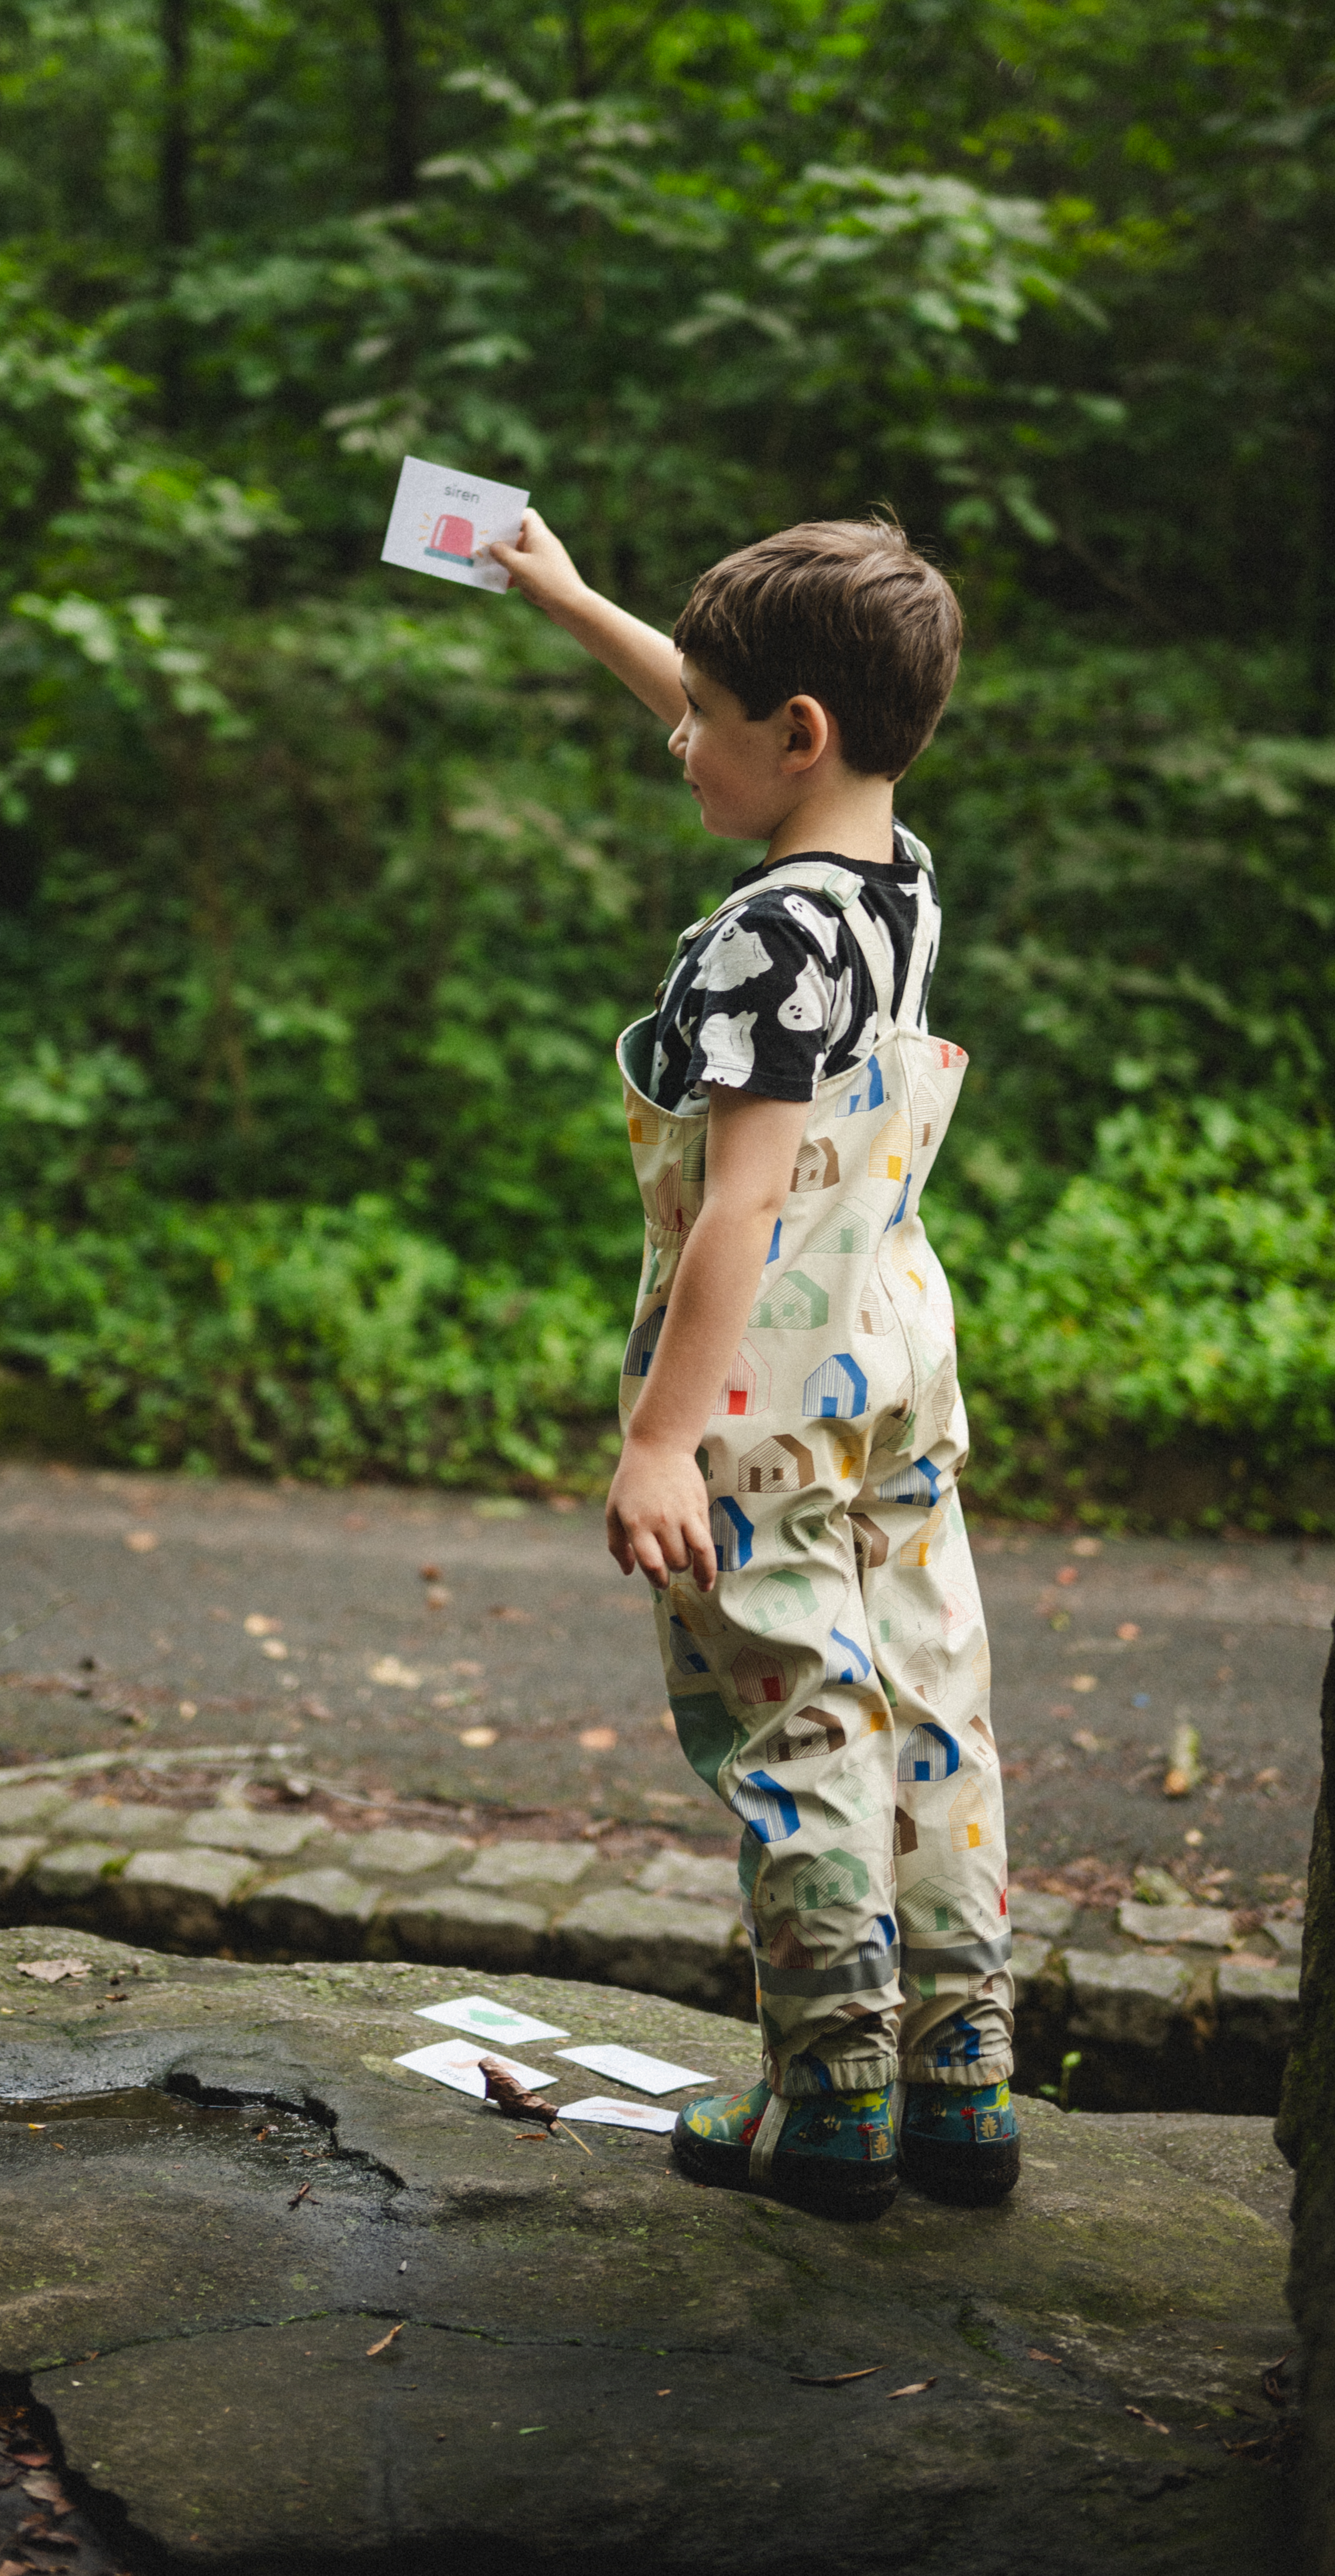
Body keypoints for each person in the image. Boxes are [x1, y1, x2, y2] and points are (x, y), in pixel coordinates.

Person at [485, 503, 1017, 2219]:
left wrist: (660, 1440)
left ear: (796, 735)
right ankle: (960, 2076)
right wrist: (575, 605)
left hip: (762, 1392)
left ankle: (833, 2100)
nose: (674, 739)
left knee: (802, 1722)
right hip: (897, 1349)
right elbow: (759, 715)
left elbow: (738, 1211)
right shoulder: (892, 872)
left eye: (703, 716)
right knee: (929, 1704)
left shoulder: (759, 943)